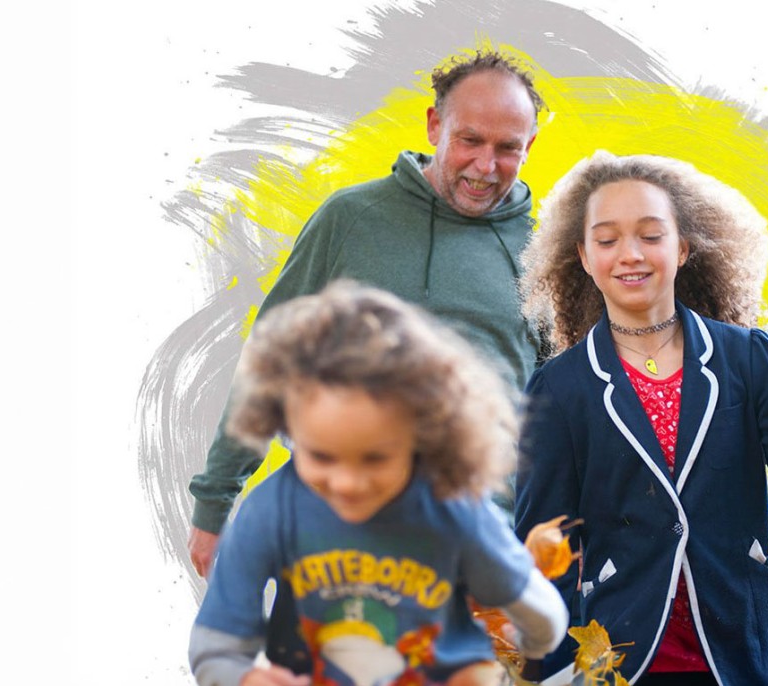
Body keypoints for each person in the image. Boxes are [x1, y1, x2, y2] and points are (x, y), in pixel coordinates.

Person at [188, 50, 545, 577]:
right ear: (434, 125)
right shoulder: (351, 220)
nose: (485, 166)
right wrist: (216, 501)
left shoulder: (544, 253)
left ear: (529, 146)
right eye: (469, 140)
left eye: (507, 148)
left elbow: (562, 414)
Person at [513, 151, 768, 686]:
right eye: (607, 240)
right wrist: (530, 661)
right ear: (583, 256)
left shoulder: (751, 360)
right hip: (621, 666)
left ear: (684, 247)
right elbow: (547, 547)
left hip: (752, 656)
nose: (629, 254)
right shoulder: (559, 390)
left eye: (651, 235)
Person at [189, 282, 568, 686]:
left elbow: (536, 606)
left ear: (425, 435)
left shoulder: (452, 507)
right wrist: (245, 678)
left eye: (376, 458)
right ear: (286, 424)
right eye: (321, 457)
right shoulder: (271, 510)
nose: (348, 483)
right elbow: (216, 640)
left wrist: (529, 639)